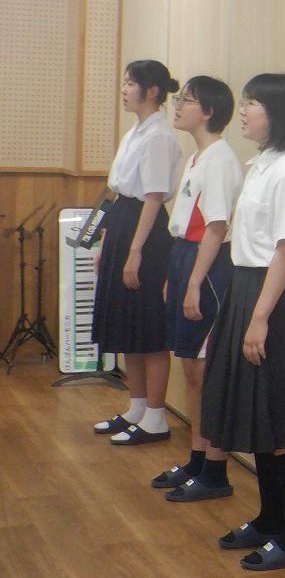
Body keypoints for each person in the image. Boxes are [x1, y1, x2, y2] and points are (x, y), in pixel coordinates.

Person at [201, 73, 285, 571]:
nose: (244, 110)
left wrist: (259, 318)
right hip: (250, 288)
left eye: (252, 102)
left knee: (284, 419)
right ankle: (270, 519)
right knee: (260, 416)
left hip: (278, 299)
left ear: (278, 112)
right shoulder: (262, 164)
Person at [150, 76, 243, 501]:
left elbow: (217, 228)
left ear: (208, 112)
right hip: (185, 257)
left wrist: (192, 284)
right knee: (190, 368)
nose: (177, 105)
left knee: (207, 371)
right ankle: (198, 457)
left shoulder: (220, 159)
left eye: (186, 100)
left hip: (208, 266)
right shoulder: (196, 157)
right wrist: (175, 275)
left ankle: (216, 471)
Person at [93, 59, 184, 445]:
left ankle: (157, 417)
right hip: (124, 222)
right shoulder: (135, 131)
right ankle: (137, 407)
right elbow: (120, 194)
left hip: (145, 232)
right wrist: (105, 244)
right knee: (128, 323)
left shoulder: (159, 136)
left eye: (131, 83)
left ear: (152, 92)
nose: (124, 89)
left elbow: (153, 196)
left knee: (149, 327)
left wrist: (135, 252)